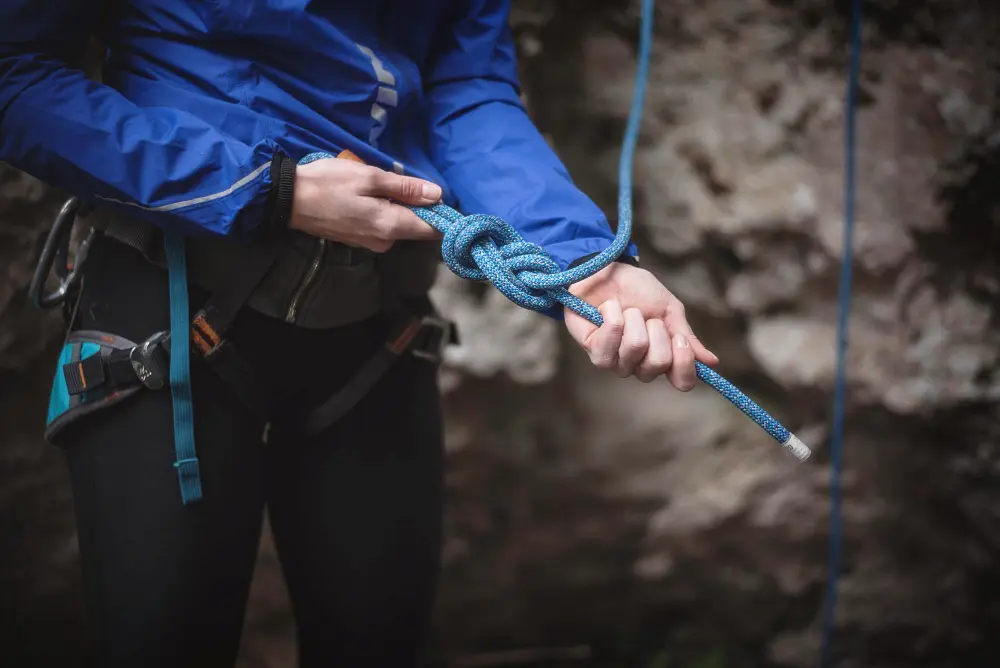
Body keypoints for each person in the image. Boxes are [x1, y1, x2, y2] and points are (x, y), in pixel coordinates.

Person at [0, 1, 719, 666]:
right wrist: (268, 189)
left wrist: (583, 267)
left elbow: (464, 88)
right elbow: (16, 75)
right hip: (172, 298)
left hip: (375, 323)